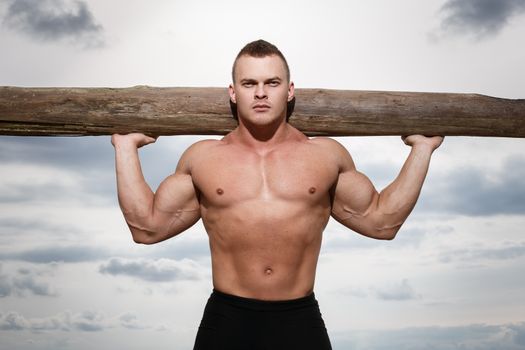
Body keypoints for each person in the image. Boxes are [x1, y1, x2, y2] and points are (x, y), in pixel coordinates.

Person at [111, 39, 443, 350]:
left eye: (272, 83)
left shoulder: (325, 156)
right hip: (227, 320)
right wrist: (125, 147)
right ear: (233, 92)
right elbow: (146, 228)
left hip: (298, 320)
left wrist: (422, 150)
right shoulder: (204, 158)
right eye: (249, 84)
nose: (260, 93)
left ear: (289, 90)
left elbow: (382, 223)